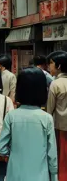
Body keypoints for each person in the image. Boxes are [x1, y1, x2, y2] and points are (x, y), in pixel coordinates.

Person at [0, 67, 58, 181]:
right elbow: (52, 153)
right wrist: (54, 174)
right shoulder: (47, 118)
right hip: (40, 175)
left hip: (15, 174)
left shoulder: (11, 116)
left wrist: (12, 152)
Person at [47, 50, 67, 180]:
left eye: (51, 64)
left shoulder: (56, 84)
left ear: (59, 66)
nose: (49, 67)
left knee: (62, 159)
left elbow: (49, 110)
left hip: (61, 128)